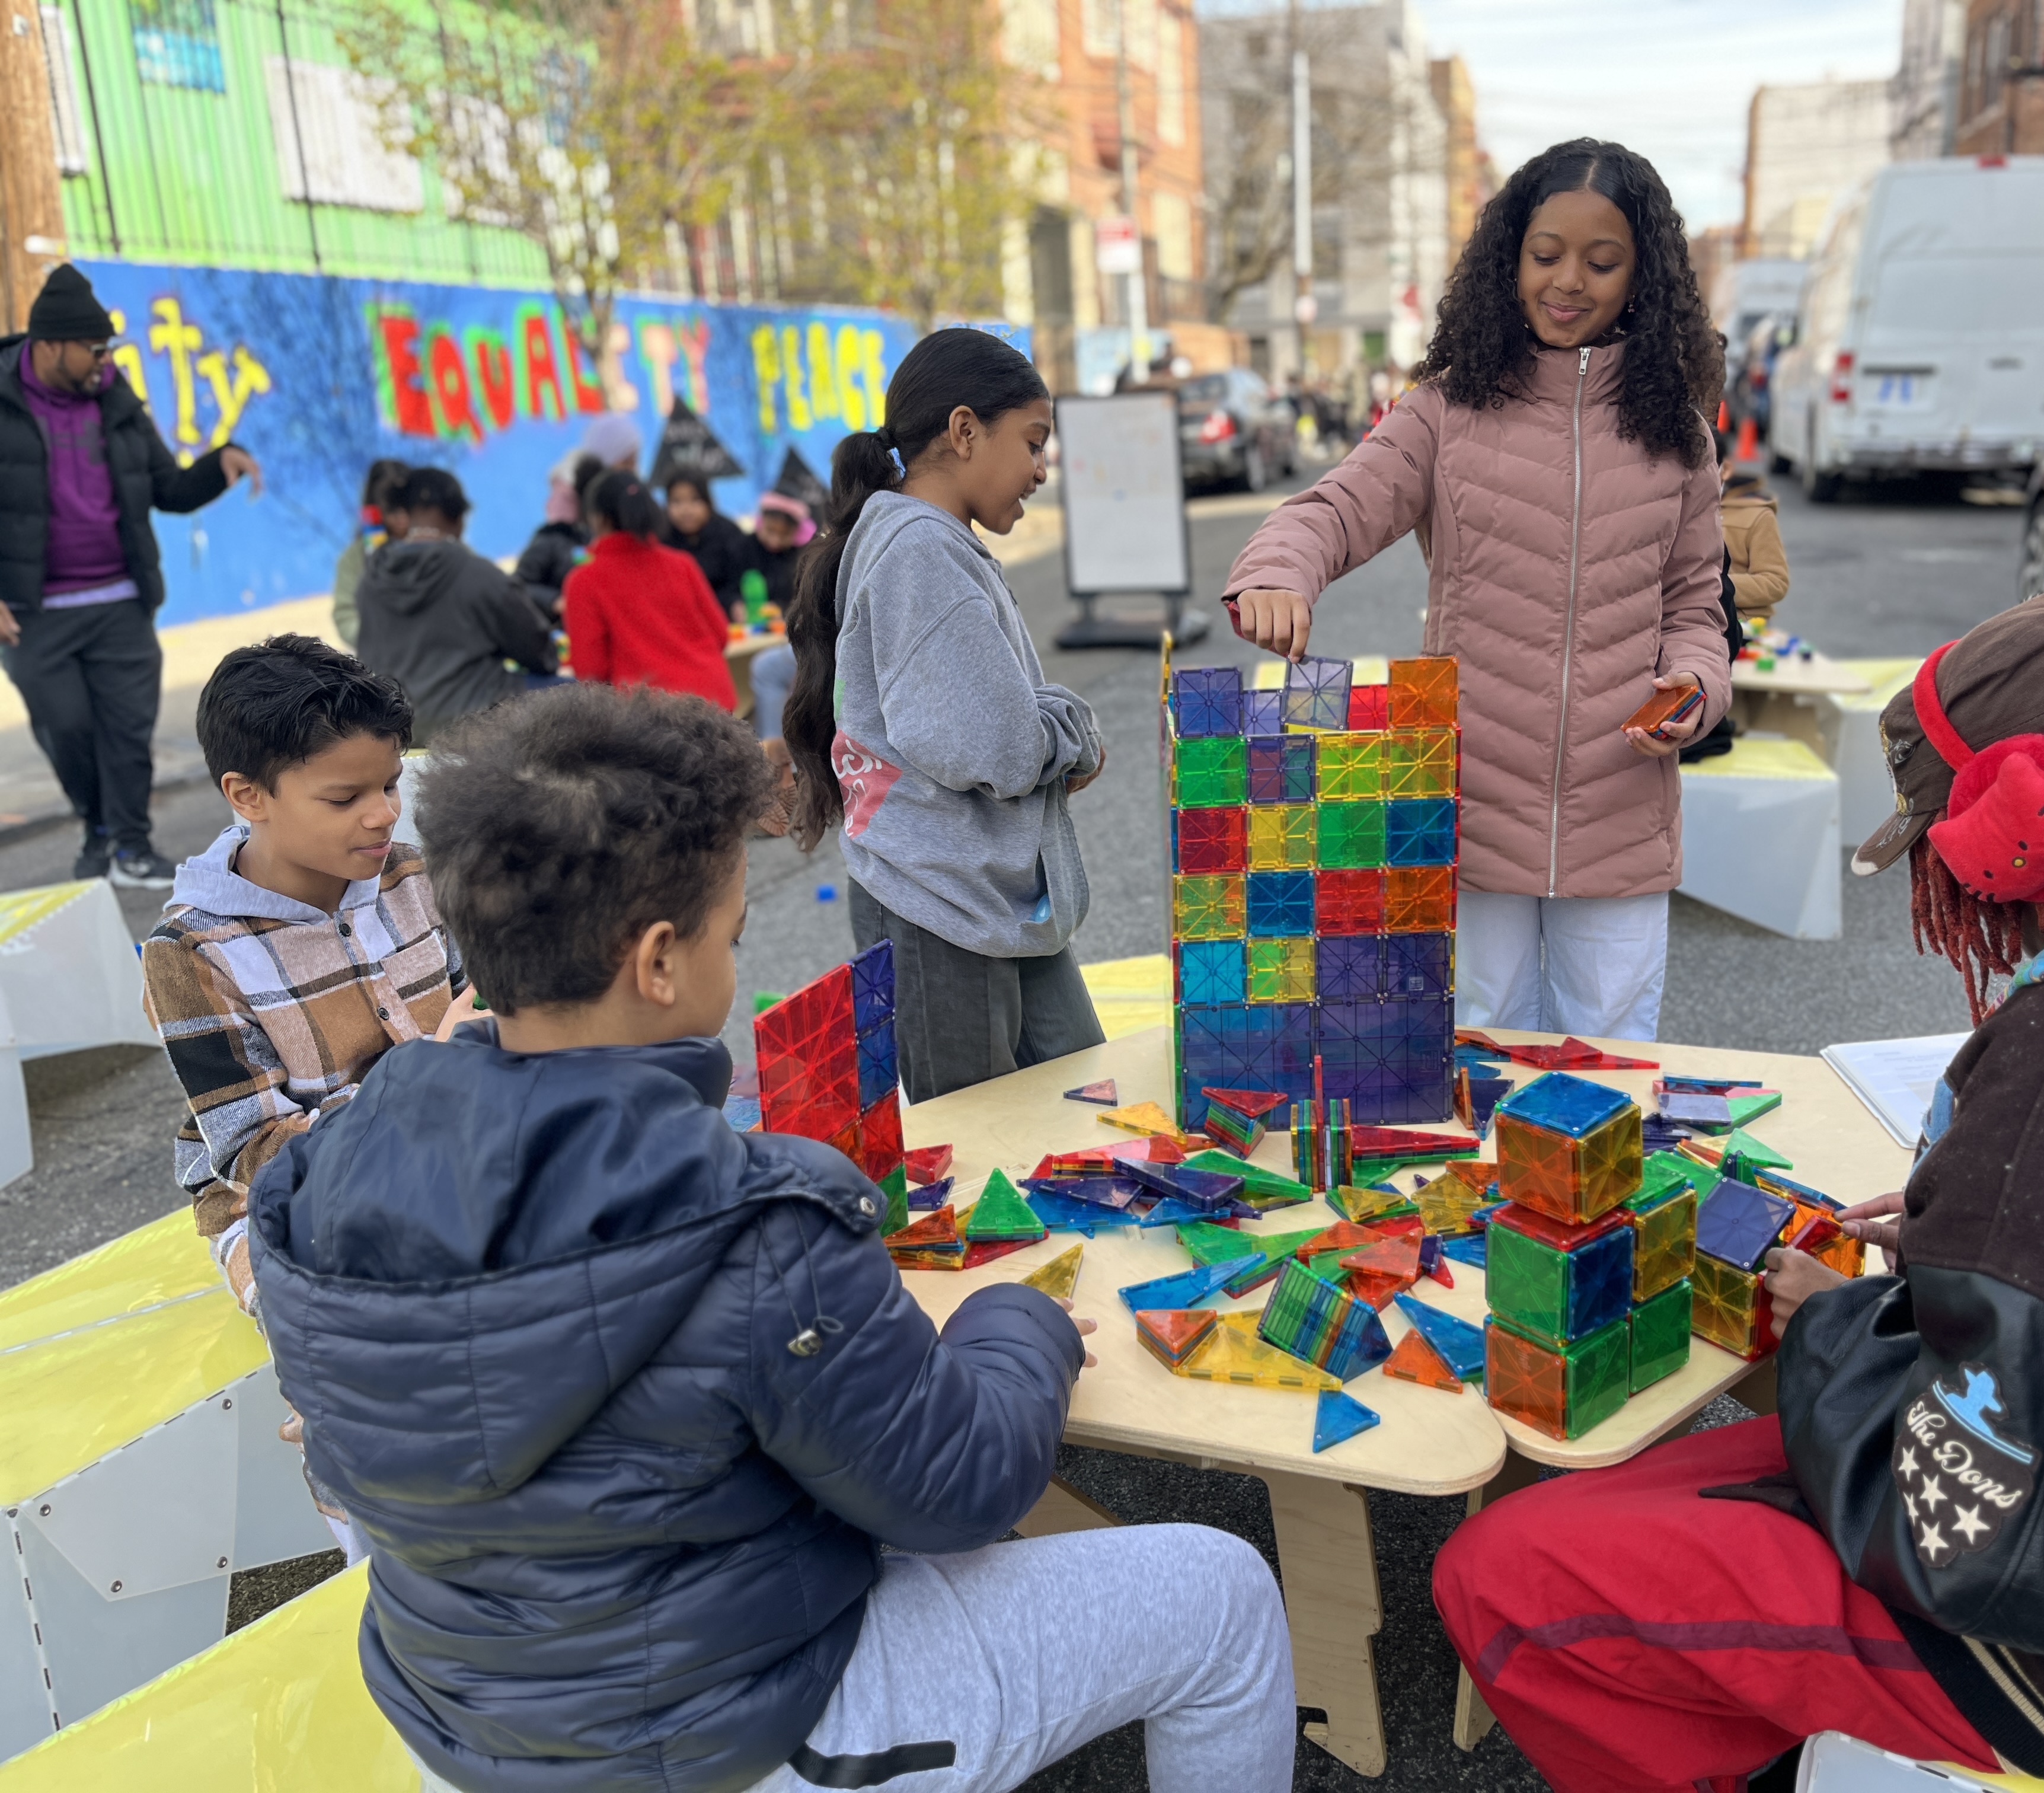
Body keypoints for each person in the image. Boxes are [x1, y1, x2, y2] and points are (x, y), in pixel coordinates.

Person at [245, 682, 1296, 1793]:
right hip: (723, 1738)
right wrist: (1019, 1322)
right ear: (658, 961)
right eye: (730, 935)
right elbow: (961, 1489)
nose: (733, 964)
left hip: (462, 1715)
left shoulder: (325, 1173)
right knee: (1220, 1595)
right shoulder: (759, 1217)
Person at [1433, 588, 2044, 1793]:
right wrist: (1982, 1247)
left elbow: (1973, 1537)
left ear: (2038, 831)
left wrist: (1834, 1321)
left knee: (1514, 1576)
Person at [1223, 139, 1729, 1042]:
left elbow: (1697, 606)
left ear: (1643, 280)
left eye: (1602, 262)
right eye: (1546, 256)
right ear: (1510, 258)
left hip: (1621, 805)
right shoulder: (1445, 410)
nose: (1568, 281)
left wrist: (1696, 686)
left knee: (1608, 1066)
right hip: (1467, 806)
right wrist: (1276, 570)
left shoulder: (1677, 435)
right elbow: (1335, 507)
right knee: (1478, 1050)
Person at [783, 328, 1107, 1102]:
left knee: (1077, 1101)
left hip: (976, 897)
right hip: (941, 908)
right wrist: (1074, 732)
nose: (1039, 469)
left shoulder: (918, 540)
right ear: (964, 431)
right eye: (1032, 442)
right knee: (985, 1150)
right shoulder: (922, 552)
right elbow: (993, 746)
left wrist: (1047, 729)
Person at [142, 634, 470, 1323]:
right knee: (335, 1312)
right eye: (345, 796)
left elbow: (489, 1005)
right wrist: (434, 1080)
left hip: (466, 1142)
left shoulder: (412, 877)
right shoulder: (193, 952)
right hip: (299, 1196)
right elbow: (255, 1152)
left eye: (389, 784)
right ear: (246, 795)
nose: (383, 813)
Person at [0, 263, 265, 886]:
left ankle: (131, 845)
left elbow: (167, 488)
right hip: (34, 613)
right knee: (66, 726)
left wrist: (215, 463)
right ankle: (96, 824)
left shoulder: (116, 399)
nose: (104, 360)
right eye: (94, 349)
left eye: (109, 348)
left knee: (126, 730)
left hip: (120, 599)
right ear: (50, 344)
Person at [352, 465, 557, 739]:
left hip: (395, 727)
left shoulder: (369, 581)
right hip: (475, 723)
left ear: (405, 515)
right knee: (576, 694)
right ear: (459, 516)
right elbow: (537, 650)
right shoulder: (476, 573)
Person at [561, 468, 735, 709]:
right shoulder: (682, 564)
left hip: (650, 722)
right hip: (715, 704)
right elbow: (721, 635)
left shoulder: (584, 581)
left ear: (598, 519)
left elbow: (591, 672)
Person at [745, 492, 814, 748]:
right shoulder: (746, 549)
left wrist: (784, 611)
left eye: (782, 534)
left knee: (768, 669)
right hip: (752, 630)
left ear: (795, 532)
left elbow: (800, 598)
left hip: (784, 632)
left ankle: (777, 752)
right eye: (769, 531)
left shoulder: (802, 557)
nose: (774, 540)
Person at [1717, 414, 1788, 630]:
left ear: (1726, 469)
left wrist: (1720, 588)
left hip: (1742, 627)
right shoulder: (1673, 510)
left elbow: (1775, 581)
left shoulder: (1756, 515)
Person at [331, 458, 410, 651]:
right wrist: (384, 640)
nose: (400, 514)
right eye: (390, 506)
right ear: (374, 508)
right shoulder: (355, 559)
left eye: (406, 502)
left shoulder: (437, 546)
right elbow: (346, 616)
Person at [511, 450, 599, 615]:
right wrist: (555, 601)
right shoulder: (549, 538)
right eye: (558, 493)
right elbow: (517, 586)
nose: (555, 502)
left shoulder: (593, 540)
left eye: (566, 497)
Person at [664, 471, 762, 620]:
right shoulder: (661, 539)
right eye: (677, 501)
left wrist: (734, 604)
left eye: (695, 500)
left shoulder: (729, 534)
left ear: (709, 502)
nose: (686, 510)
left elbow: (740, 583)